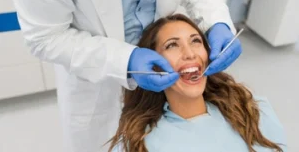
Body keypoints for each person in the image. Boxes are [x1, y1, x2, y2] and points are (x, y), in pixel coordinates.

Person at [11, 0, 242, 152]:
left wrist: (217, 22)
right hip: (93, 78)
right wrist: (125, 61)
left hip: (161, 79)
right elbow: (45, 36)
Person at [109, 14, 287, 152]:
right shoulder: (138, 142)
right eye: (172, 45)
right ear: (153, 66)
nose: (190, 54)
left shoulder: (252, 110)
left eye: (196, 41)